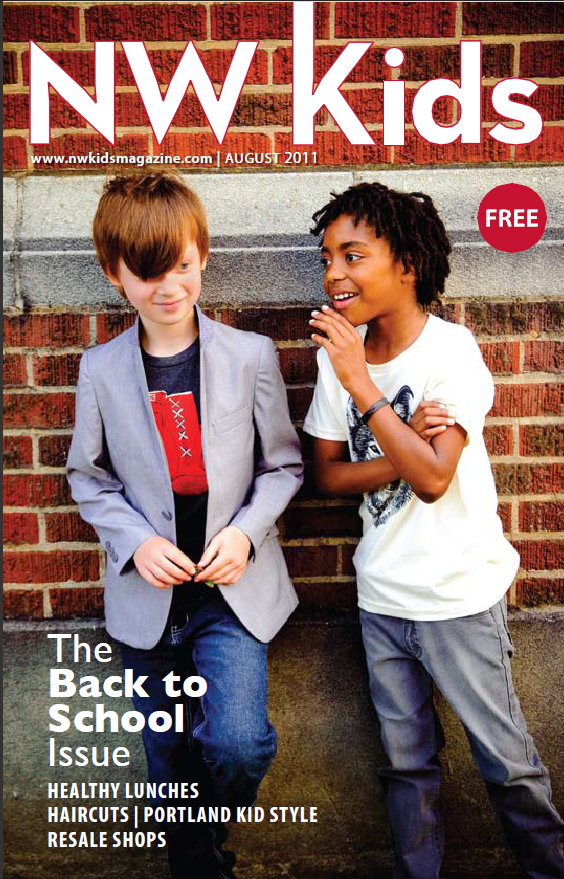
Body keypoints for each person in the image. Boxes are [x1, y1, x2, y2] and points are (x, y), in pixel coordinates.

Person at [302, 181, 564, 879]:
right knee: (406, 768)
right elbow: (327, 474)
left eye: (353, 255)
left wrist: (364, 385)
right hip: (383, 599)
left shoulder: (451, 352)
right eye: (328, 256)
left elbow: (434, 477)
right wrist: (396, 445)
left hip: (458, 598)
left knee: (507, 764)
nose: (335, 273)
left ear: (407, 264)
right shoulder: (343, 353)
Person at [66, 171, 303, 879]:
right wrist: (136, 540)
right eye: (144, 273)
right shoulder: (101, 369)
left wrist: (245, 533)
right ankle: (200, 864)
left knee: (237, 745)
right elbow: (88, 476)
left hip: (229, 594)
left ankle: (199, 844)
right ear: (115, 274)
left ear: (202, 255)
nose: (167, 287)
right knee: (167, 755)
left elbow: (284, 466)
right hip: (149, 600)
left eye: (181, 267)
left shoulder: (249, 355)